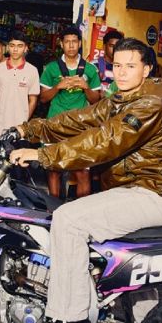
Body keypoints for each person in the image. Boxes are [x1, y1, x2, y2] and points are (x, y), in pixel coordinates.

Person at [11, 38, 162, 323]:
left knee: (68, 219)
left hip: (152, 195)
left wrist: (43, 155)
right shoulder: (120, 100)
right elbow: (80, 120)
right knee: (129, 279)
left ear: (146, 69)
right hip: (132, 193)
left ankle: (72, 321)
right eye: (117, 65)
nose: (122, 72)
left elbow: (105, 141)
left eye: (130, 66)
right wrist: (29, 130)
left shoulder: (150, 105)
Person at [39, 26, 101, 199]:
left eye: (74, 41)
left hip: (80, 125)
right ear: (61, 44)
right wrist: (58, 87)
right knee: (54, 169)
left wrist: (86, 87)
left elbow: (96, 101)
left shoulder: (90, 69)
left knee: (82, 172)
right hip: (55, 123)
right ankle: (53, 210)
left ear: (80, 43)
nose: (71, 45)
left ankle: (80, 211)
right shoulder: (51, 68)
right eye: (67, 42)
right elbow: (43, 98)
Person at [0, 33, 41, 139]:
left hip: (20, 129)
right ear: (7, 47)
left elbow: (33, 100)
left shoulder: (32, 71)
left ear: (26, 48)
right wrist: (1, 115)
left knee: (18, 150)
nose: (15, 49)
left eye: (20, 46)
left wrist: (23, 122)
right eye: (12, 45)